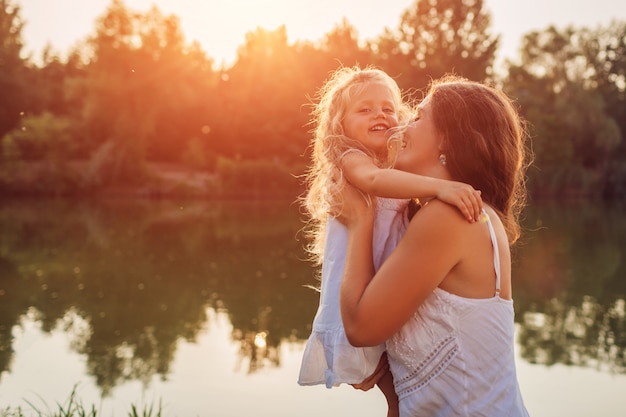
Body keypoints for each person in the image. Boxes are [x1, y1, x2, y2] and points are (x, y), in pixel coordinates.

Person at [337, 74, 531, 417]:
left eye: (418, 117)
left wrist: (360, 220)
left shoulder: (449, 218)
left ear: (448, 140)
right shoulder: (457, 214)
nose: (402, 125)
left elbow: (359, 327)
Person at [297, 66, 483, 417]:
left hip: (381, 292)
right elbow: (374, 180)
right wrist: (441, 187)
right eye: (364, 109)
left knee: (400, 396)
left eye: (387, 107)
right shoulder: (352, 159)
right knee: (398, 394)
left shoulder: (395, 164)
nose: (379, 114)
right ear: (340, 126)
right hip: (356, 298)